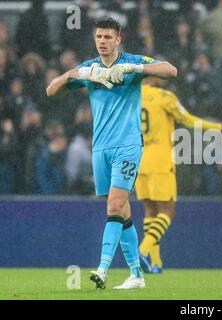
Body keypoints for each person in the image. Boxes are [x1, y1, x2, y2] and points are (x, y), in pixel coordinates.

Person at [46, 17, 177, 289]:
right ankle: (136, 275)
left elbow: (170, 70)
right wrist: (75, 75)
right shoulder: (89, 67)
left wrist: (134, 68)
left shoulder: (131, 61)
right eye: (99, 37)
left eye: (108, 37)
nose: (103, 41)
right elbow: (51, 90)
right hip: (101, 148)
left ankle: (103, 268)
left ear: (118, 39)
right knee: (123, 211)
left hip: (128, 145)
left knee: (115, 206)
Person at [136, 76, 222, 273]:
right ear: (153, 76)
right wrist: (217, 128)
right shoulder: (164, 97)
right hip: (160, 159)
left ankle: (156, 263)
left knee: (150, 209)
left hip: (139, 158)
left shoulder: (129, 97)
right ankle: (142, 251)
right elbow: (188, 120)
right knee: (168, 210)